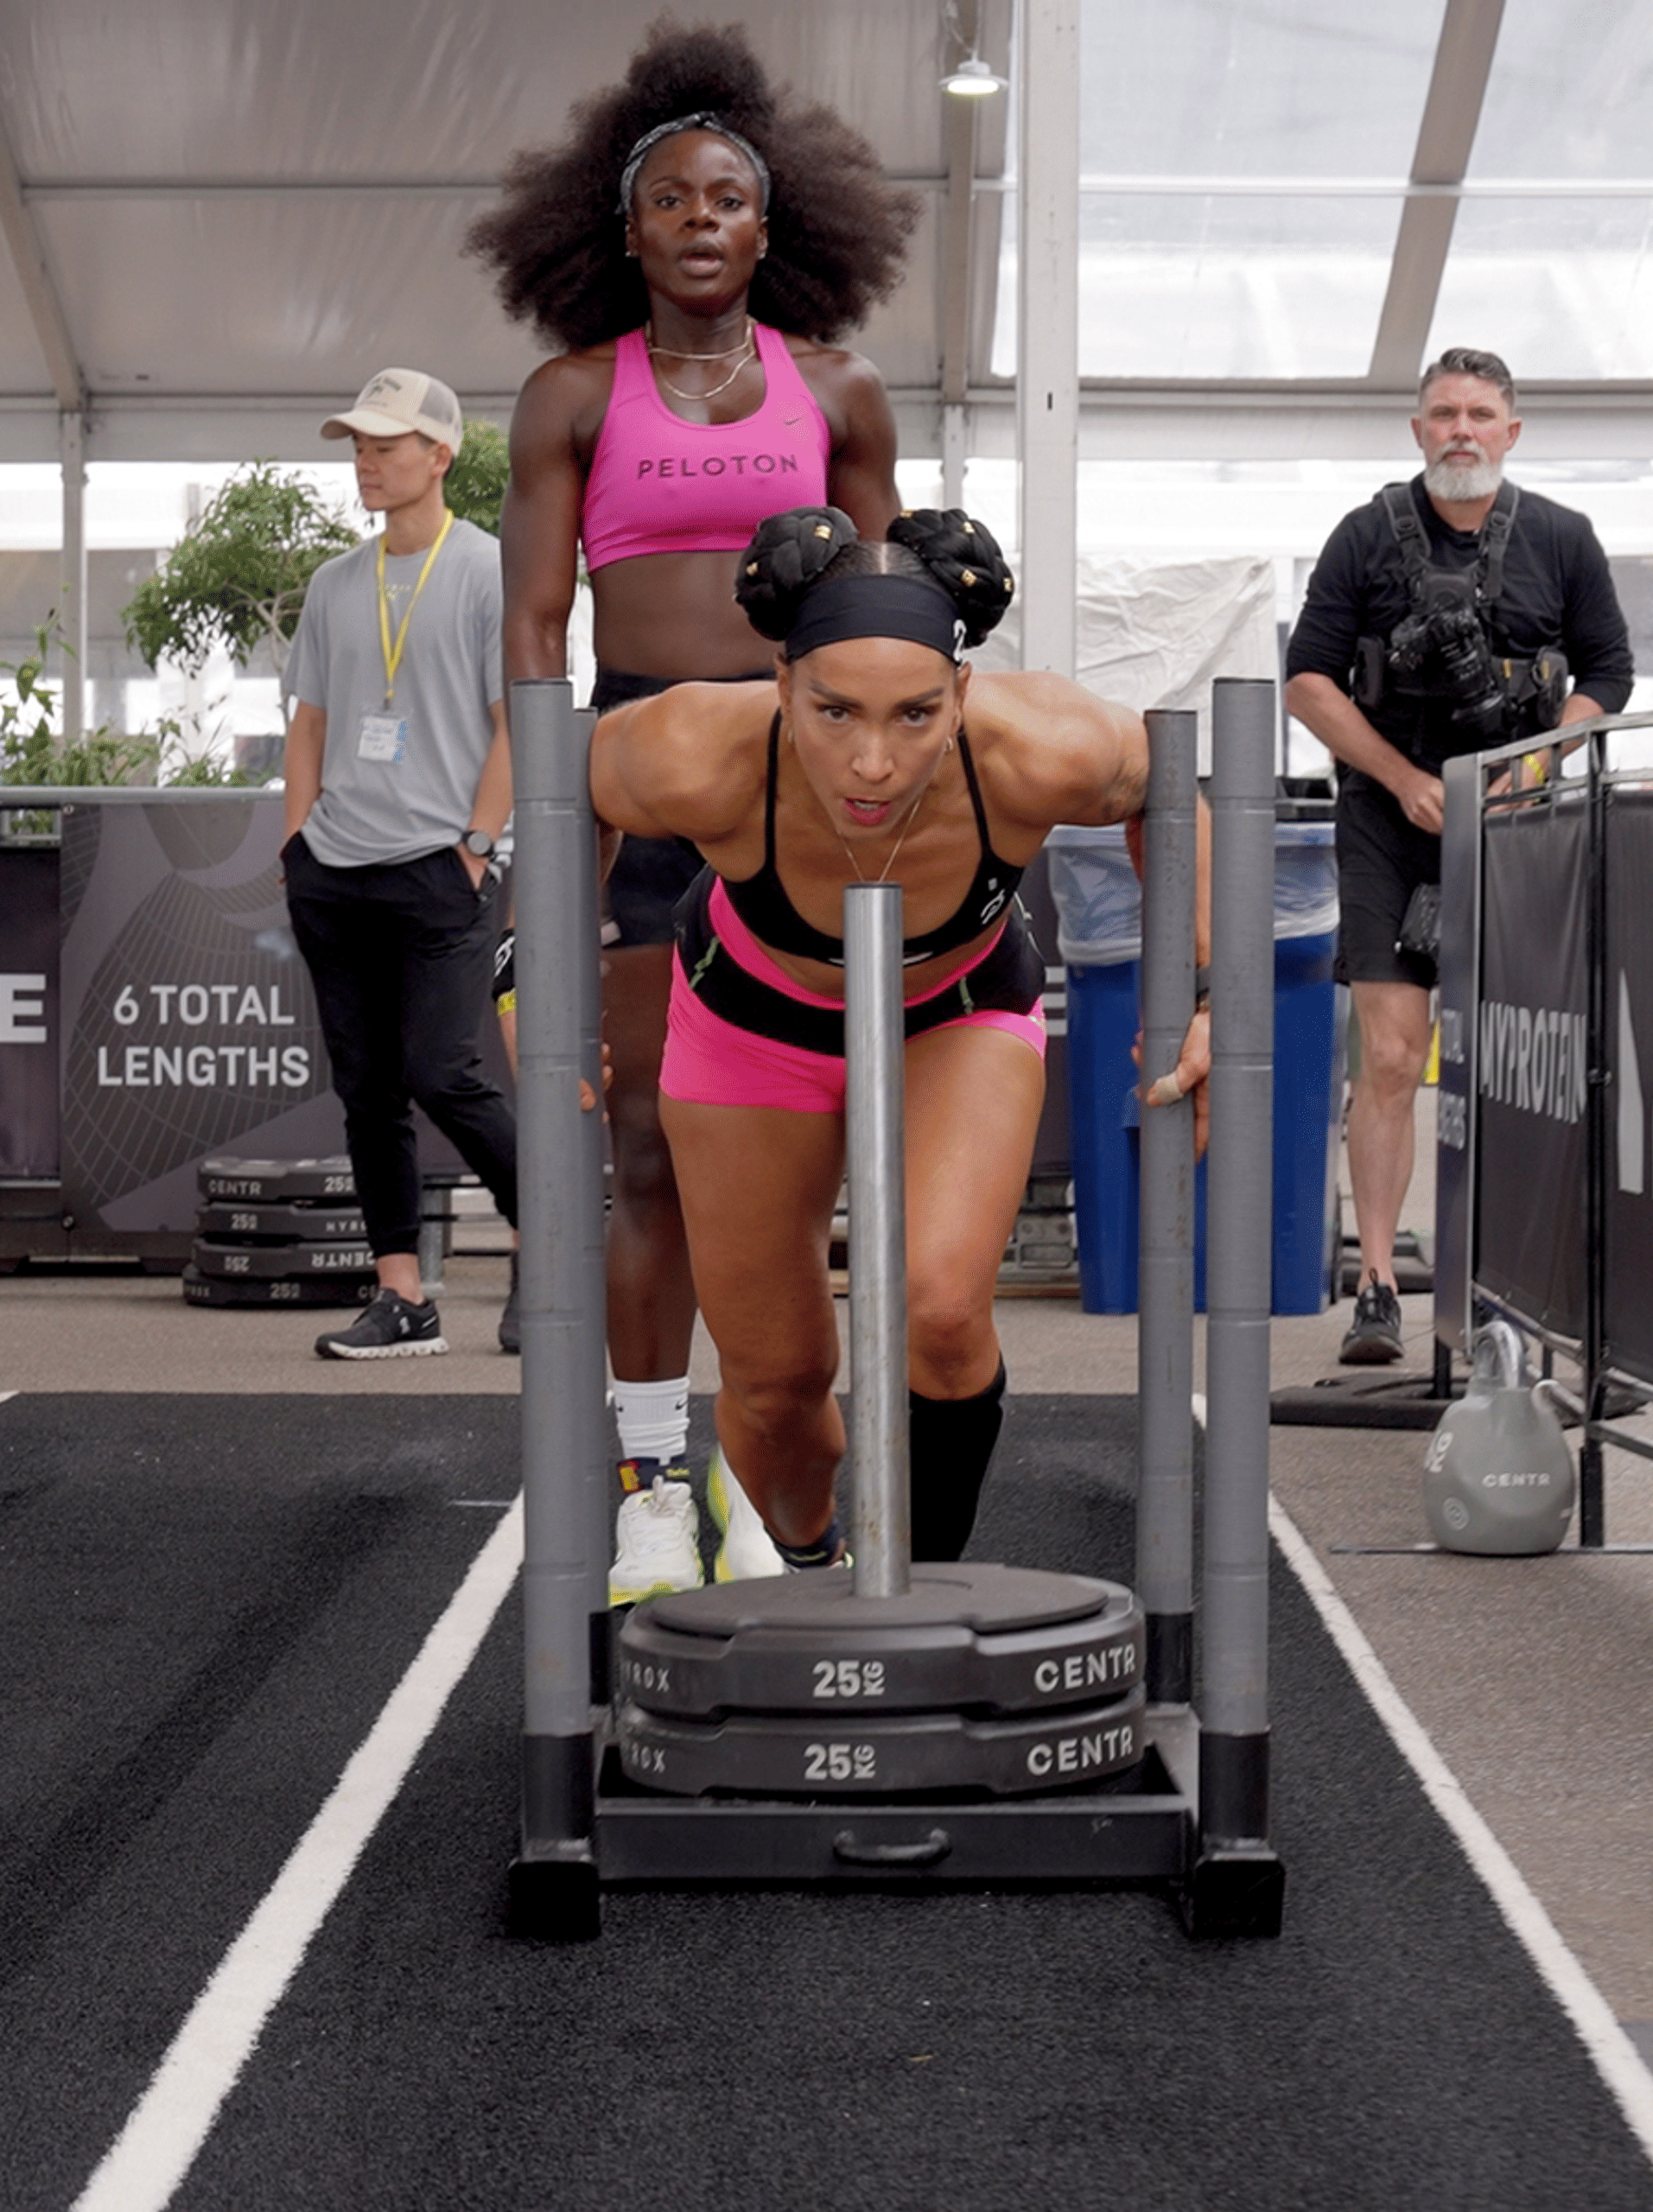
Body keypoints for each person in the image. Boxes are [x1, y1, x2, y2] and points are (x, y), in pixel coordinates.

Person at [470, 21, 913, 1594]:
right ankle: (654, 1480)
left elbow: (890, 616)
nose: (705, 220)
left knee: (795, 1160)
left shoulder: (843, 393)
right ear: (628, 225)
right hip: (638, 782)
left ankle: (769, 1456)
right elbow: (536, 635)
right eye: (675, 200)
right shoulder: (568, 399)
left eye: (731, 197)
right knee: (645, 1149)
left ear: (772, 222)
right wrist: (551, 856)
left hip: (806, 798)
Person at [591, 507, 1208, 1580]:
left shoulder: (1038, 745)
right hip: (750, 1024)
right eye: (834, 712)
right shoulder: (695, 748)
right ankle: (806, 1549)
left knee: (941, 1306)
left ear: (962, 696)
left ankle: (913, 1600)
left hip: (952, 1012)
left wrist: (1201, 993)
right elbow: (567, 790)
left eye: (916, 715)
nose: (873, 761)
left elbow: (1174, 785)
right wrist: (529, 976)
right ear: (780, 687)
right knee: (776, 1389)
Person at [1282, 346, 1632, 1366]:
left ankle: (1498, 1283)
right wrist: (1400, 778)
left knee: (1504, 1061)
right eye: (1444, 413)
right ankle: (1381, 1287)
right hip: (1393, 817)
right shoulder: (1363, 536)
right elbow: (1308, 679)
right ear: (1418, 429)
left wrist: (1534, 763)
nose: (1463, 430)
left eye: (1482, 413)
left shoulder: (1564, 540)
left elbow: (1611, 668)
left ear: (1511, 432)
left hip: (1519, 824)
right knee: (1391, 1055)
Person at [277, 370, 518, 1361]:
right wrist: (296, 842)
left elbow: (517, 726)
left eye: (386, 443)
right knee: (367, 1087)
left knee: (445, 1071)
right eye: (357, 445)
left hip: (440, 866)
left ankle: (551, 1243)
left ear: (440, 455)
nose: (367, 461)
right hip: (334, 868)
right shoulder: (337, 584)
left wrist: (474, 846)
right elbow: (311, 723)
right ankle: (402, 1295)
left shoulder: (491, 571)